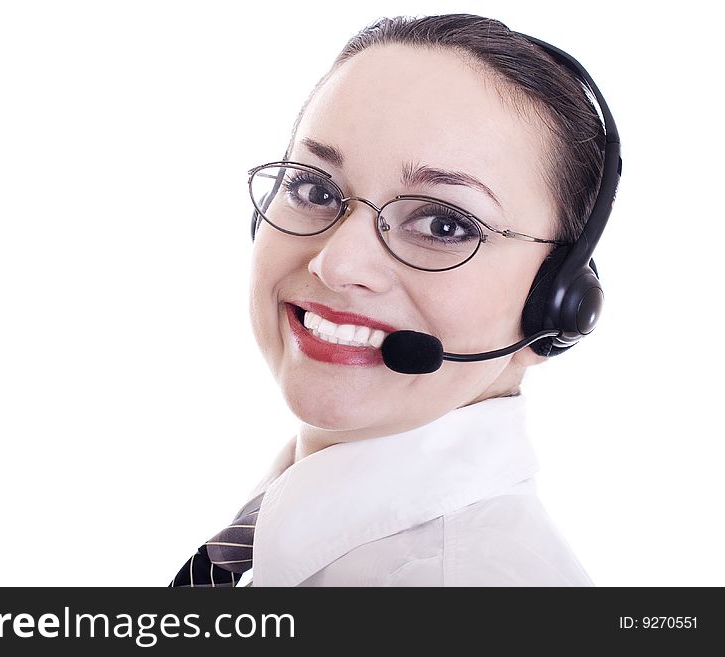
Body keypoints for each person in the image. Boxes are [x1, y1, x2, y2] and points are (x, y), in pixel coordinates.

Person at [170, 13, 620, 587]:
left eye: (443, 225)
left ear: (554, 305)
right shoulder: (294, 530)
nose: (336, 264)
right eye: (314, 189)